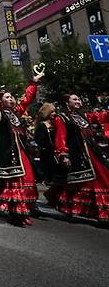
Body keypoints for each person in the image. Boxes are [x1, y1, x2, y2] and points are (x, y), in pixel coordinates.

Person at [0, 69, 42, 226]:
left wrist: (34, 83)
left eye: (11, 97)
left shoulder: (17, 112)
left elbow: (26, 99)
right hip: (8, 153)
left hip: (22, 151)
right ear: (0, 101)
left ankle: (23, 209)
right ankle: (15, 212)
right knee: (14, 182)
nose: (11, 99)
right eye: (7, 97)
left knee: (28, 179)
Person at [49, 94, 109, 223]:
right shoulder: (61, 118)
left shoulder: (83, 116)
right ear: (66, 103)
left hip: (93, 153)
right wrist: (63, 154)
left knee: (102, 180)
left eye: (78, 99)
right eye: (74, 99)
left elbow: (101, 116)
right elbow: (60, 137)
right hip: (79, 155)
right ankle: (99, 213)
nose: (78, 101)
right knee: (91, 183)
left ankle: (101, 213)